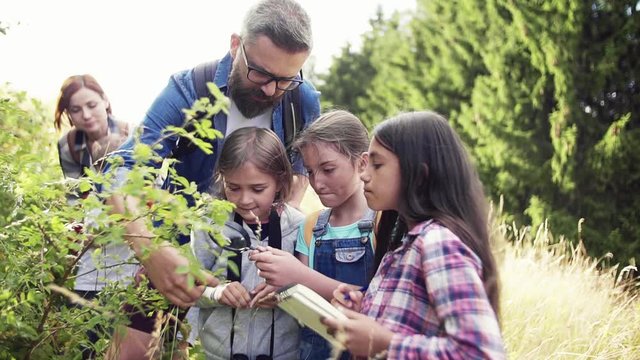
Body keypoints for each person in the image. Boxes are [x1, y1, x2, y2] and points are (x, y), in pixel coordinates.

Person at [105, 0, 319, 356]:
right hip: (177, 254)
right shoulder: (191, 89)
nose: (270, 90)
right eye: (261, 74)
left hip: (257, 270)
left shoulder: (302, 99)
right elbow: (122, 170)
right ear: (236, 45)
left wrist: (278, 233)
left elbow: (299, 172)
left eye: (284, 80)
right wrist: (152, 251)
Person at [323, 111, 506, 359]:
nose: (365, 175)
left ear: (419, 175)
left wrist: (385, 343)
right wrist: (363, 311)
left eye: (377, 164)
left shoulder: (438, 243)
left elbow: (481, 353)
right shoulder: (402, 245)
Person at [249, 110, 374, 360]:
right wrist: (280, 291)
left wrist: (298, 275)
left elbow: (375, 302)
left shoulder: (381, 223)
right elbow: (302, 298)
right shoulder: (310, 226)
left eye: (328, 169)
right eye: (310, 171)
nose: (317, 183)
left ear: (362, 163)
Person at [193, 127, 305, 359]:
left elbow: (312, 293)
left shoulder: (300, 227)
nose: (244, 200)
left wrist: (285, 296)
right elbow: (189, 289)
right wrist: (217, 293)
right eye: (233, 188)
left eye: (257, 189)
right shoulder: (209, 225)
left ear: (280, 181)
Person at [54, 74, 138, 358]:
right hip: (93, 251)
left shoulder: (132, 135)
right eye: (76, 110)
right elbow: (76, 199)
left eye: (91, 104)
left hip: (132, 246)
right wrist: (75, 231)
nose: (85, 115)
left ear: (105, 100)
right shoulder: (68, 146)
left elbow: (146, 196)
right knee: (86, 337)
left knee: (130, 337)